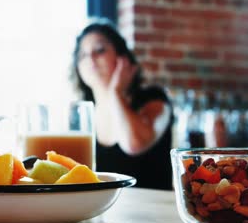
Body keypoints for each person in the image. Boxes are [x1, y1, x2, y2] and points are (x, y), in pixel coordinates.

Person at [71, 18, 173, 190]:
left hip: (155, 212)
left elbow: (134, 144)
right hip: (103, 214)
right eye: (83, 55)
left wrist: (115, 92)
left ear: (122, 58)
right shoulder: (82, 115)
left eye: (100, 50)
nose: (91, 59)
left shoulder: (154, 98)